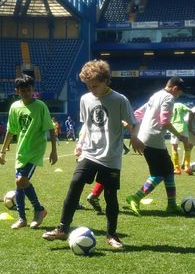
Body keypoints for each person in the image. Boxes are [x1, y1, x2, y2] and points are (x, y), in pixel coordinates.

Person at [42, 59, 143, 249]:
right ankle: (62, 229)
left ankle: (112, 235)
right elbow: (86, 126)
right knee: (75, 183)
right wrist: (79, 144)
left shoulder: (119, 100)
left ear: (105, 81)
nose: (92, 90)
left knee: (110, 196)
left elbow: (133, 123)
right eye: (88, 86)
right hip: (89, 153)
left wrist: (134, 137)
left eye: (95, 86)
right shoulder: (85, 99)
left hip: (111, 156)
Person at [0, 74, 57, 229]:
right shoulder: (14, 107)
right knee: (20, 184)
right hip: (21, 151)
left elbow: (50, 128)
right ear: (17, 91)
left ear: (33, 89)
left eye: (29, 90)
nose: (26, 93)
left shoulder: (40, 106)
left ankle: (39, 209)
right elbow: (11, 130)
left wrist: (54, 151)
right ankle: (22, 219)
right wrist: (2, 151)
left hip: (35, 150)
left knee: (20, 181)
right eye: (23, 90)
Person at [125, 76, 188, 217]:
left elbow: (138, 113)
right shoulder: (169, 98)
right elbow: (165, 122)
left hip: (146, 137)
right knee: (159, 174)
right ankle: (135, 197)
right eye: (180, 93)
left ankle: (171, 205)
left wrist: (133, 131)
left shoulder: (156, 95)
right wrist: (181, 136)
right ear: (175, 88)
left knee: (169, 170)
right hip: (154, 139)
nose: (178, 96)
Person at [170, 102, 191, 174]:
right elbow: (189, 110)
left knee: (174, 148)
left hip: (174, 127)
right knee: (187, 147)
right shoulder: (181, 105)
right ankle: (187, 167)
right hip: (183, 127)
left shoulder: (170, 106)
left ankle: (177, 169)